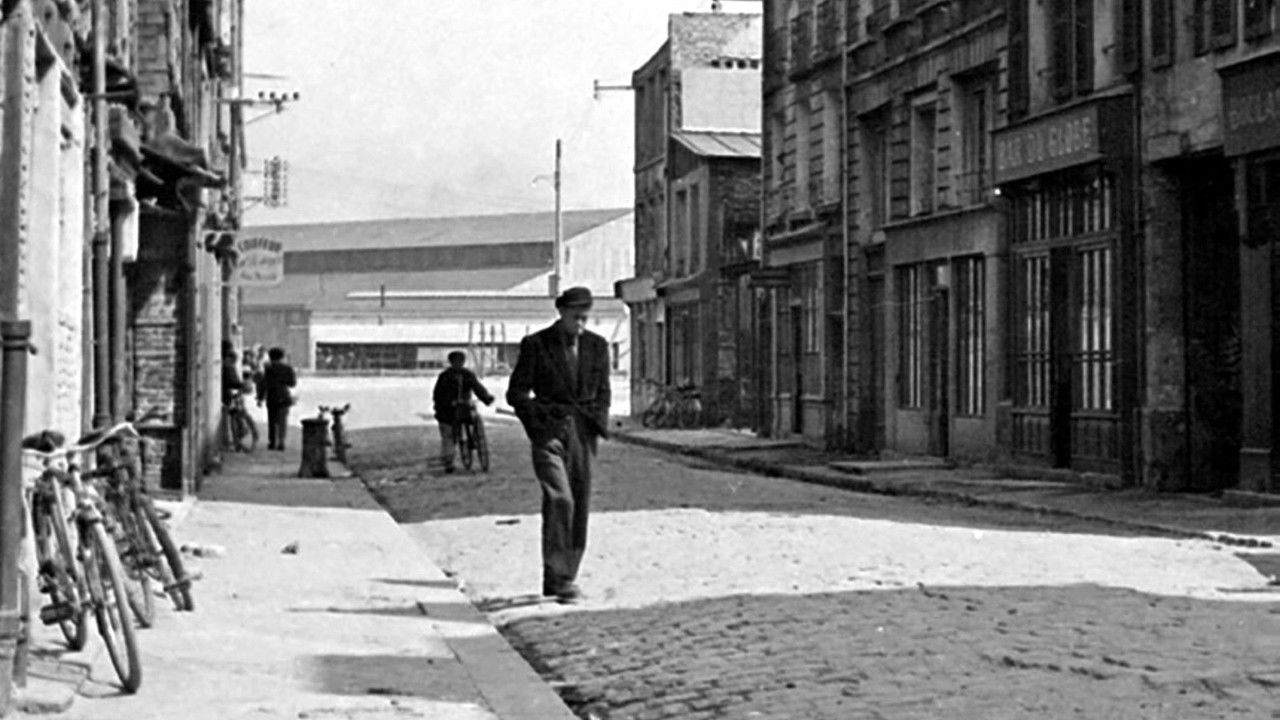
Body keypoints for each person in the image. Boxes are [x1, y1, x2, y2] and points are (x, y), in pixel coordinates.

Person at [506, 286, 611, 604]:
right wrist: (537, 425)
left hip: (582, 434)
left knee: (579, 502)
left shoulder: (597, 346)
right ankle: (559, 574)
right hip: (549, 434)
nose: (580, 324)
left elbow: (604, 390)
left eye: (585, 318)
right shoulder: (537, 345)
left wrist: (597, 421)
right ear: (561, 313)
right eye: (575, 317)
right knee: (560, 499)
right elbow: (517, 393)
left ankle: (564, 576)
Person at [431, 350, 495, 473]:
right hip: (449, 410)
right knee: (448, 434)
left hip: (460, 409)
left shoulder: (459, 375)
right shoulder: (448, 376)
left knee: (452, 432)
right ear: (451, 362)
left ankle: (463, 445)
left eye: (460, 361)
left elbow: (477, 388)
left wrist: (487, 398)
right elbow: (438, 395)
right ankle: (449, 461)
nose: (458, 364)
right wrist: (445, 404)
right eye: (457, 361)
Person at [259, 347, 297, 451]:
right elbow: (292, 383)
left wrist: (260, 397)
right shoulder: (288, 368)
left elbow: (264, 384)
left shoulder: (267, 368)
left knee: (272, 421)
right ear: (282, 357)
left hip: (271, 396)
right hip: (284, 396)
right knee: (282, 420)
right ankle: (281, 442)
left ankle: (272, 442)